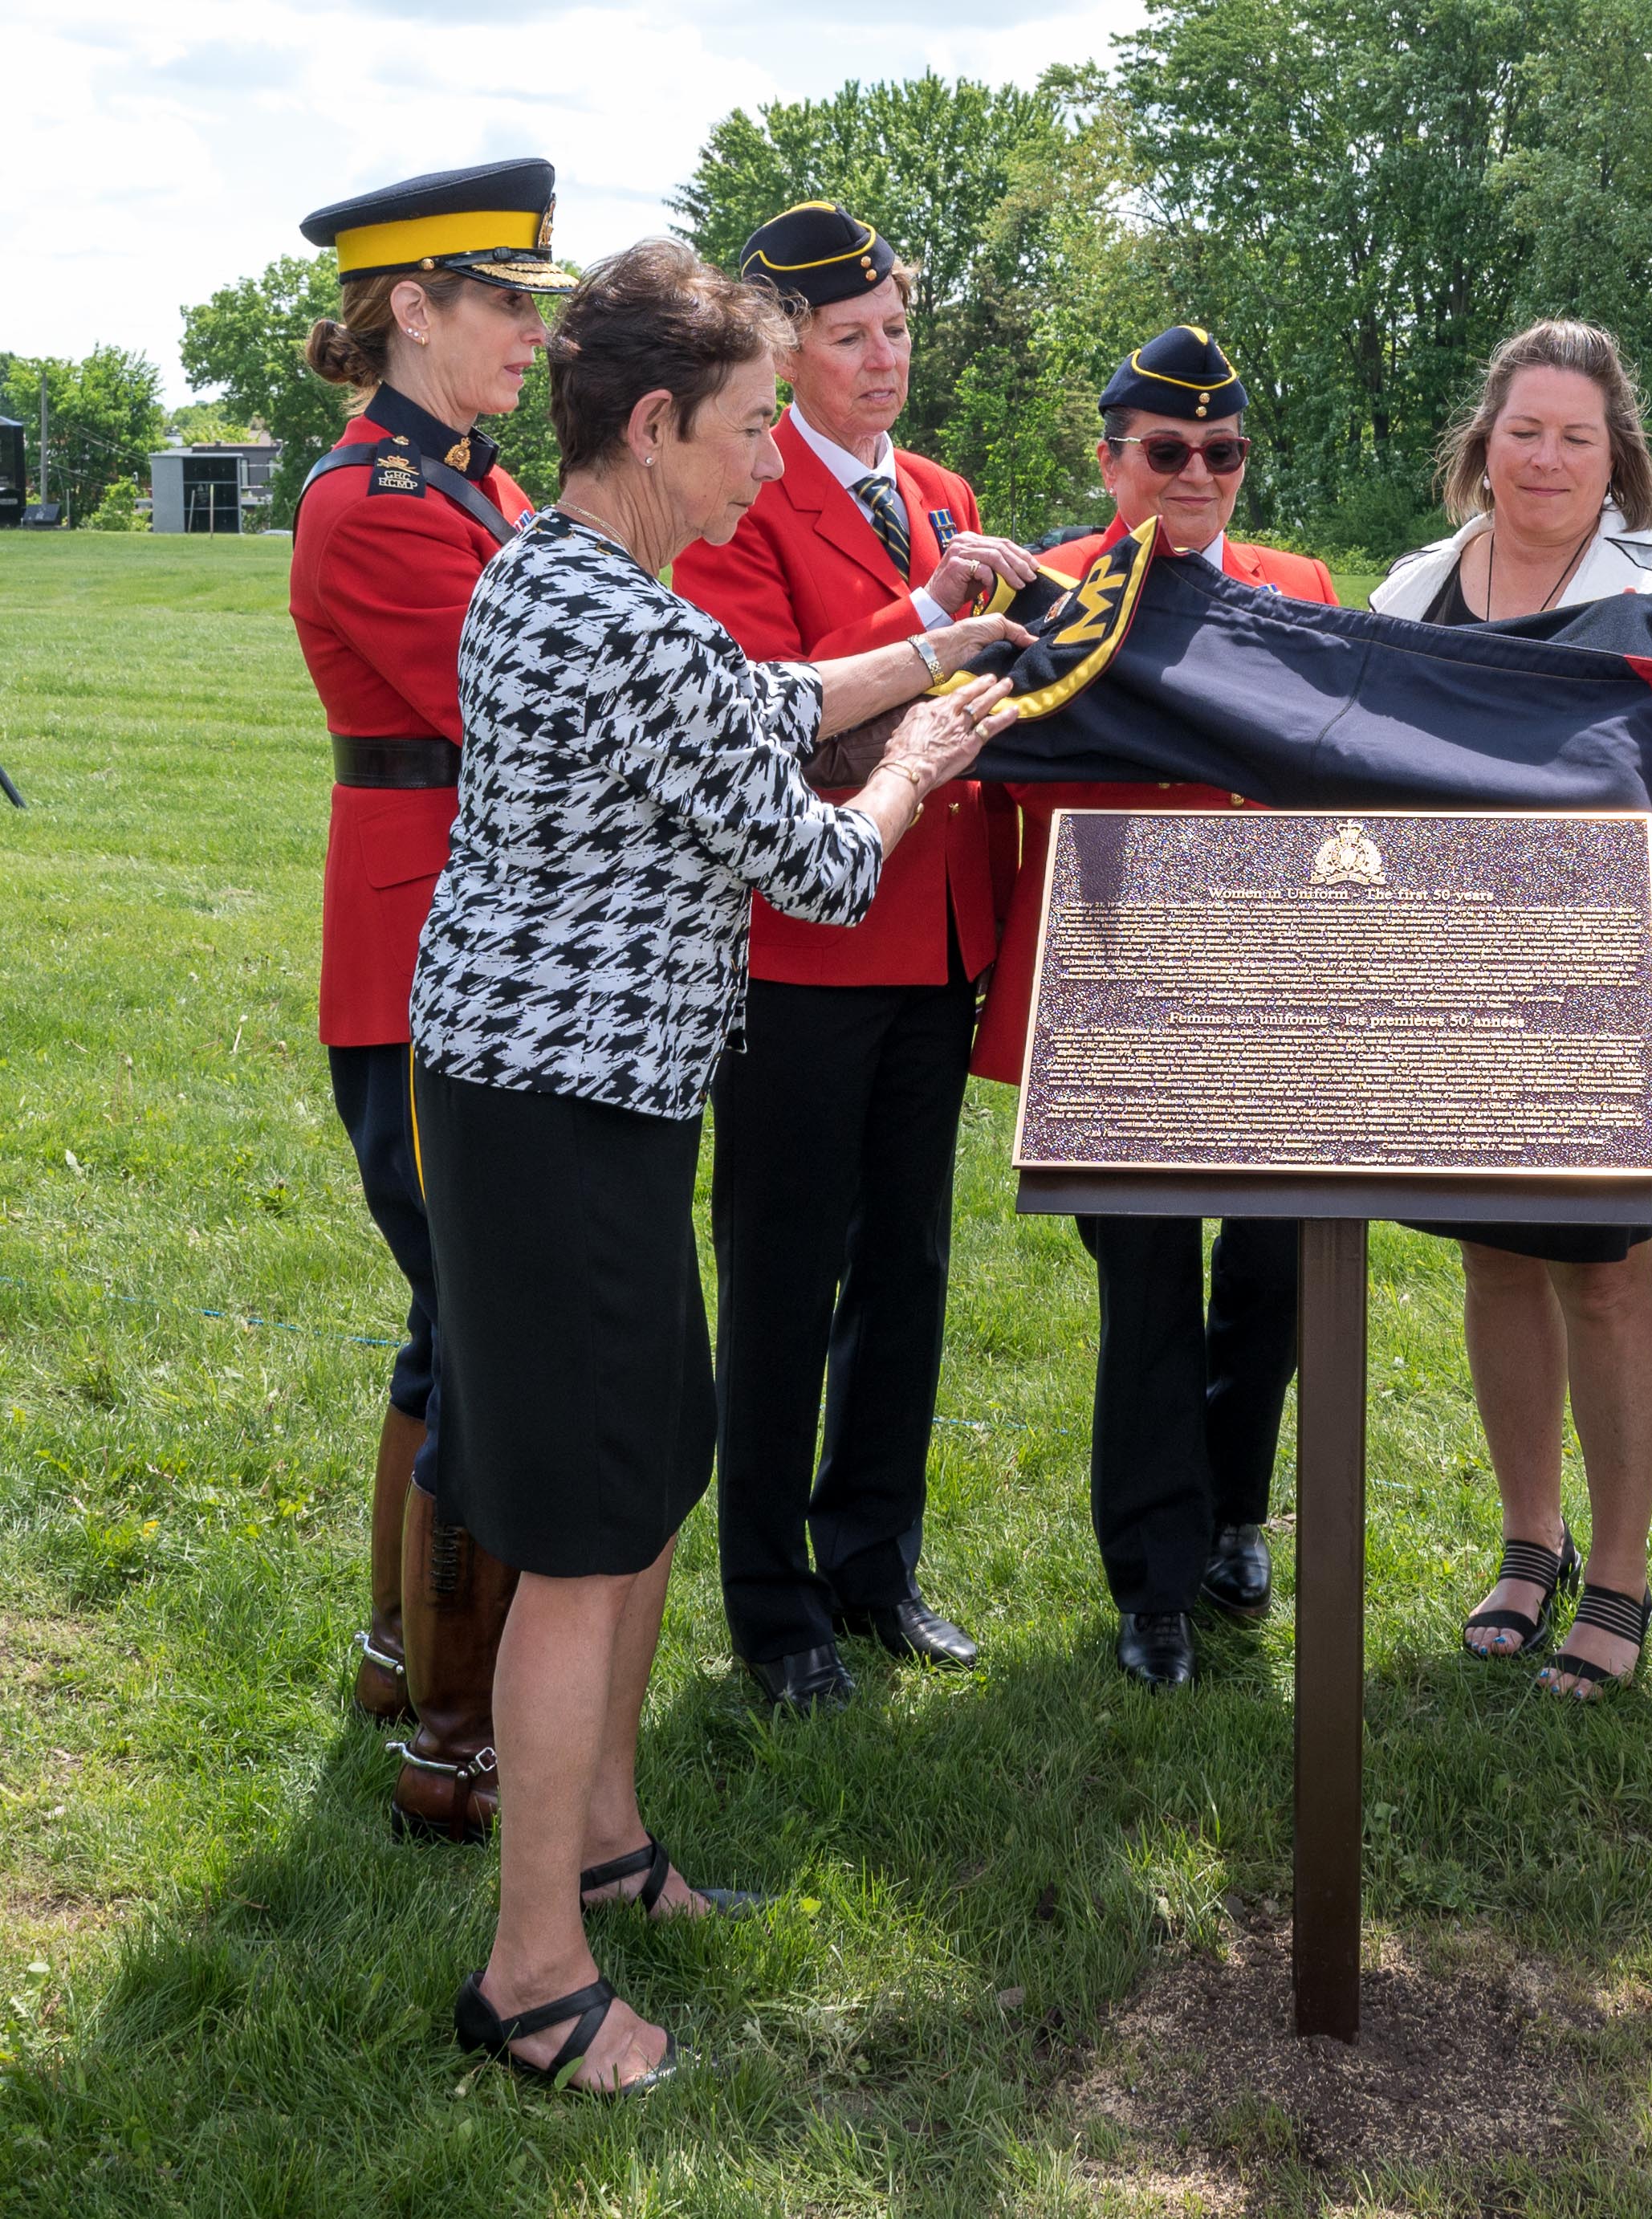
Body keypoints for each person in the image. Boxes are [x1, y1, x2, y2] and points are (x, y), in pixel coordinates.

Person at [409, 238, 1021, 2095]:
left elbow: (754, 703)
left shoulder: (560, 564)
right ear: (658, 424)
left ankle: (607, 1844)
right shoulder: (624, 618)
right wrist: (921, 753)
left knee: (643, 1480)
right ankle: (533, 1973)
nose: (773, 463)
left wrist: (929, 642)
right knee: (589, 1541)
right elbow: (823, 860)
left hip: (566, 1102)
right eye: (755, 427)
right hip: (560, 1121)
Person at [671, 202, 1036, 1712]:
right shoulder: (741, 503)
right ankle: (772, 1603)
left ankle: (875, 1565)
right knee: (782, 1272)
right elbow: (769, 707)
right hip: (802, 941)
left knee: (908, 1262)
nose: (883, 361)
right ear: (784, 354)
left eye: (897, 329)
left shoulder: (942, 489)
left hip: (936, 928)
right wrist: (931, 619)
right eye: (848, 339)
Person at [1367, 319, 1652, 1698]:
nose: (1546, 458)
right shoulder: (1414, 586)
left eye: (1576, 436)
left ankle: (1625, 1575)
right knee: (1495, 1260)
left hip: (1611, 982)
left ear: (1616, 457)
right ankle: (1531, 1543)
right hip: (1456, 976)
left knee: (1607, 1272)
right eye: (1524, 430)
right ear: (1484, 443)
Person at [969, 325, 1338, 1692]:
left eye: (1223, 453)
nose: (1197, 475)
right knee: (1147, 1290)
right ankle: (1155, 1576)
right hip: (1115, 991)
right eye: (1167, 452)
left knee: (1273, 1272)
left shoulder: (1297, 586)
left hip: (1269, 988)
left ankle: (1238, 1512)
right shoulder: (1051, 593)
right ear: (1112, 455)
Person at [288, 158, 575, 1840]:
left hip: (458, 947)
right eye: (506, 302)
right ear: (412, 308)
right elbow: (526, 703)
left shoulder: (468, 481)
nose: (534, 332)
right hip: (420, 967)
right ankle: (459, 1745)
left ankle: (408, 1658)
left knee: (447, 1318)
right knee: (484, 1330)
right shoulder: (380, 504)